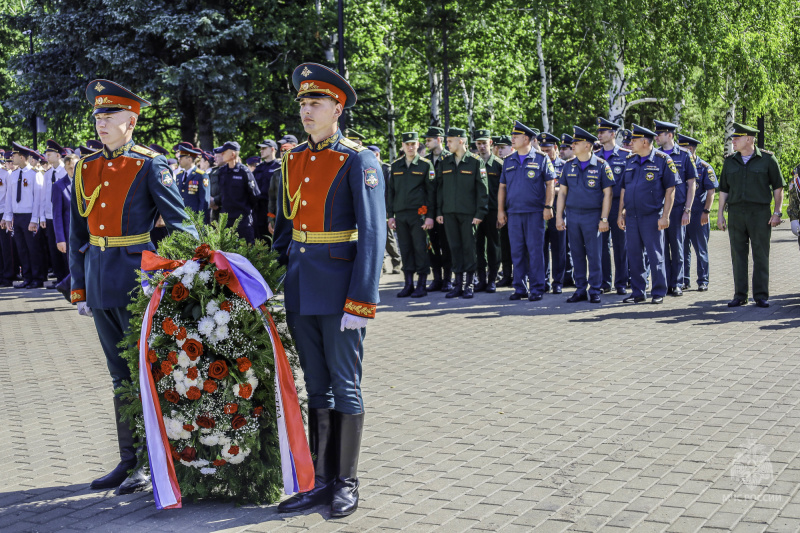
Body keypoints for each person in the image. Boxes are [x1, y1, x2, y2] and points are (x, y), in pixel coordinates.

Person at [70, 79, 198, 494]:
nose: (101, 122)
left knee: (143, 372)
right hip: (98, 277)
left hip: (135, 281)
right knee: (117, 376)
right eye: (98, 116)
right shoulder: (85, 167)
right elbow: (76, 233)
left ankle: (148, 461)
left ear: (131, 121)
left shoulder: (149, 165)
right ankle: (129, 461)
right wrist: (79, 287)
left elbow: (180, 225)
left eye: (110, 116)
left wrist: (187, 274)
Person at [273, 62, 386, 518]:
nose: (306, 110)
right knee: (316, 386)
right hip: (302, 288)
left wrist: (362, 300)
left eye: (315, 102)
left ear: (337, 108)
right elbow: (285, 232)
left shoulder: (358, 158)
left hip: (341, 291)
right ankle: (320, 481)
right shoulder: (293, 158)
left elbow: (374, 233)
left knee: (346, 386)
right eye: (302, 102)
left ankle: (347, 482)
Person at [717, 122, 785, 308]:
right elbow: (724, 189)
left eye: (736, 138)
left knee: (761, 254)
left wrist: (777, 212)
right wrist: (720, 214)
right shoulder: (730, 161)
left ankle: (761, 295)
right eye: (732, 139)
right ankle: (740, 295)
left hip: (760, 213)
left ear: (749, 139)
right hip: (737, 213)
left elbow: (778, 188)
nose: (733, 142)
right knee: (738, 255)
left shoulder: (768, 160)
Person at [617, 124, 678, 304]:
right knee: (634, 255)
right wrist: (621, 213)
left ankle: (658, 291)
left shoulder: (662, 160)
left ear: (645, 141)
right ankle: (638, 292)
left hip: (651, 216)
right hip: (632, 217)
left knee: (655, 254)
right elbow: (623, 190)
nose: (630, 143)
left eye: (634, 140)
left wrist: (665, 216)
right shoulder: (630, 160)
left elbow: (670, 189)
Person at [497, 121, 556, 301]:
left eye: (516, 136)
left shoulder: (541, 158)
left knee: (535, 251)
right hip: (514, 213)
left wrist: (548, 206)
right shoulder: (508, 160)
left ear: (527, 139)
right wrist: (501, 210)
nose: (512, 139)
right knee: (517, 251)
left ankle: (537, 288)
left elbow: (550, 184)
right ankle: (520, 288)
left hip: (534, 213)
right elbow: (502, 187)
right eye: (512, 136)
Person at [556, 126, 614, 304]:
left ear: (587, 146)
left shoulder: (602, 165)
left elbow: (608, 194)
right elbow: (563, 193)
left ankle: (595, 289)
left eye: (576, 142)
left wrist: (604, 218)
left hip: (592, 216)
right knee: (576, 253)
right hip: (573, 215)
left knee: (594, 254)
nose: (572, 145)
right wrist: (559, 216)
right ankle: (580, 289)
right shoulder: (568, 166)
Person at [435, 127, 488, 299]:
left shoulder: (475, 161)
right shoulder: (445, 161)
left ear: (461, 141)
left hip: (468, 214)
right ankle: (457, 284)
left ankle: (469, 284)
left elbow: (482, 190)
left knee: (469, 248)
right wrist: (439, 211)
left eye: (450, 141)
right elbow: (439, 189)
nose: (447, 144)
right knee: (454, 247)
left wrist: (480, 213)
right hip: (449, 213)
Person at [387, 132, 434, 297]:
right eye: (407, 144)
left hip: (419, 215)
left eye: (413, 144)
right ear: (402, 145)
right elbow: (390, 192)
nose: (410, 147)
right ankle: (408, 284)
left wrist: (430, 216)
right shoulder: (396, 165)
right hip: (401, 214)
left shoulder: (425, 165)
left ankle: (421, 284)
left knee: (420, 248)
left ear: (418, 145)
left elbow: (431, 192)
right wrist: (390, 215)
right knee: (405, 249)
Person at [654, 120, 697, 296]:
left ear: (669, 135)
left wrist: (688, 209)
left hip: (678, 208)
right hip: (658, 209)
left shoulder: (685, 155)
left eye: (659, 134)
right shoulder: (654, 155)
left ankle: (677, 282)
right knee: (660, 248)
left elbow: (692, 184)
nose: (656, 137)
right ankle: (664, 283)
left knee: (677, 247)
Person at [1, 143, 45, 288]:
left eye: (14, 155)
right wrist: (7, 217)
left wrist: (34, 219)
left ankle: (37, 278)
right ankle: (27, 278)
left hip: (29, 216)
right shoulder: (13, 174)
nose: (11, 158)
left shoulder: (35, 174)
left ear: (21, 157)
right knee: (21, 249)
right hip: (17, 217)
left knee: (33, 248)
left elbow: (39, 199)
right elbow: (9, 198)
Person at [595, 118, 630, 295]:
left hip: (618, 204)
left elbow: (628, 185)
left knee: (620, 245)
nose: (599, 135)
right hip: (600, 205)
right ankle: (604, 282)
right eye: (598, 132)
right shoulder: (595, 157)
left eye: (603, 132)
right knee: (601, 245)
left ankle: (622, 282)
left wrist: (623, 210)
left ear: (613, 134)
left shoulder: (625, 156)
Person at [678, 134, 717, 291]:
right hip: (681, 214)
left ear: (690, 149)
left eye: (682, 149)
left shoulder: (704, 167)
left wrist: (706, 211)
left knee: (700, 249)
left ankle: (703, 280)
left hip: (698, 214)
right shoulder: (679, 165)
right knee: (682, 249)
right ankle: (684, 280)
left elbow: (711, 191)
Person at [423, 126, 453, 291]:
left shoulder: (449, 158)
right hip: (429, 210)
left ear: (439, 140)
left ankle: (448, 278)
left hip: (445, 210)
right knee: (432, 245)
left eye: (429, 140)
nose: (426, 143)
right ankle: (437, 278)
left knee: (446, 245)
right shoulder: (426, 161)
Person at [474, 129, 502, 293]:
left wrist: (501, 212)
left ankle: (492, 279)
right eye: (479, 143)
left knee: (493, 246)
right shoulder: (473, 163)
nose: (482, 146)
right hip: (477, 212)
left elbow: (504, 190)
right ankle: (481, 279)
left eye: (484, 143)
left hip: (493, 211)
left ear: (490, 143)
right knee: (477, 246)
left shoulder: (498, 164)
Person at [216, 141, 260, 244]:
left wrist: (245, 209)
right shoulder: (222, 172)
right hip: (225, 219)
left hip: (242, 219)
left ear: (233, 154)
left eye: (224, 152)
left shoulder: (244, 172)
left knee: (246, 248)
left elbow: (254, 195)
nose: (221, 154)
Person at [539, 132, 567, 294]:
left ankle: (558, 281)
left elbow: (567, 190)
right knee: (541, 248)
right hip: (541, 213)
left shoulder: (564, 165)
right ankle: (543, 280)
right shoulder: (538, 165)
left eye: (548, 150)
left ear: (555, 148)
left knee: (559, 250)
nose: (546, 154)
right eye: (543, 150)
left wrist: (551, 190)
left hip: (559, 213)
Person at [369, 144, 403, 275]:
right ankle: (381, 265)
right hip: (373, 208)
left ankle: (396, 262)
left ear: (377, 154)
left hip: (384, 208)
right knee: (375, 238)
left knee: (388, 238)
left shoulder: (386, 169)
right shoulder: (368, 168)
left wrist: (389, 209)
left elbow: (390, 191)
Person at [40, 140, 70, 287]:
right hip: (50, 216)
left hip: (64, 217)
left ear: (58, 155)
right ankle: (59, 279)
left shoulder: (66, 171)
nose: (46, 156)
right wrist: (42, 216)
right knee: (54, 248)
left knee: (66, 250)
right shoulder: (48, 173)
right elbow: (44, 196)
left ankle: (67, 278)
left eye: (49, 154)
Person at [53, 153, 78, 300]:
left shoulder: (85, 182)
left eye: (74, 167)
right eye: (69, 168)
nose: (72, 171)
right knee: (73, 265)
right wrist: (60, 239)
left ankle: (65, 285)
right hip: (69, 235)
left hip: (87, 233)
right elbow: (57, 215)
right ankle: (73, 294)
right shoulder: (58, 186)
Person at [494, 135, 514, 287]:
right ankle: (507, 275)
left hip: (515, 209)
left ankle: (521, 276)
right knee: (505, 245)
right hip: (503, 210)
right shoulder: (499, 164)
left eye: (503, 147)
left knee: (520, 247)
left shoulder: (514, 162)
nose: (499, 150)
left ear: (511, 148)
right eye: (498, 147)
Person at [268, 135, 299, 235]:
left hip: (299, 220)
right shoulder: (277, 173)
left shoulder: (304, 171)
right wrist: (270, 219)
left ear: (294, 147)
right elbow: (272, 198)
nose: (282, 152)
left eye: (285, 148)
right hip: (281, 218)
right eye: (281, 149)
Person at [253, 139, 280, 241]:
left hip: (273, 207)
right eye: (260, 149)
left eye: (264, 148)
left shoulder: (278, 167)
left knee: (273, 238)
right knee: (259, 238)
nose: (261, 151)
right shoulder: (259, 168)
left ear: (272, 149)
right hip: (258, 208)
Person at [174, 141, 208, 217]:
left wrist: (200, 221)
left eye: (181, 158)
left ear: (189, 159)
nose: (179, 160)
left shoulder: (201, 175)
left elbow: (204, 201)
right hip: (181, 216)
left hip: (194, 218)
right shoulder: (179, 176)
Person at [0, 151, 15, 286]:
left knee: (5, 246)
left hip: (2, 213)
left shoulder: (5, 174)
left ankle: (8, 275)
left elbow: (8, 197)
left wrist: (6, 216)